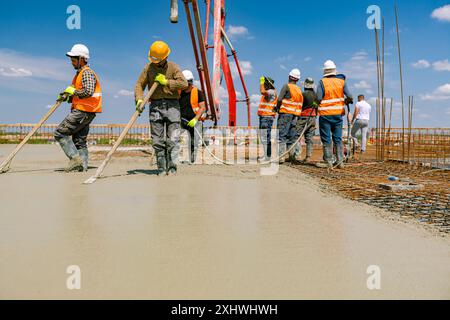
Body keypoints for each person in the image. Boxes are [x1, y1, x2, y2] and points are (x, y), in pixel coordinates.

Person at [134, 41, 188, 175]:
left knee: (172, 139)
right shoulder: (148, 68)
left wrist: (167, 82)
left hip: (173, 106)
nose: (155, 62)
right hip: (155, 105)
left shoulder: (173, 67)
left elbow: (184, 84)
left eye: (157, 60)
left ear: (165, 57)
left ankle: (172, 168)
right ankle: (161, 169)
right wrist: (139, 99)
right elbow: (139, 85)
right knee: (157, 140)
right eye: (153, 59)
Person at [54, 44, 102, 172]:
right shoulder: (79, 74)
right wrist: (67, 97)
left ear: (82, 59)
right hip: (86, 111)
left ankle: (75, 159)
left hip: (82, 111)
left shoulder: (86, 73)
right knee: (79, 141)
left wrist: (73, 91)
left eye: (73, 59)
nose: (71, 62)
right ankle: (82, 168)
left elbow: (88, 91)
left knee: (59, 133)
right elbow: (78, 95)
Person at [315, 60, 353, 169]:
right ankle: (340, 162)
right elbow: (350, 96)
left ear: (325, 71)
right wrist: (345, 102)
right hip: (338, 115)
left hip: (325, 115)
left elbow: (318, 98)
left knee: (326, 138)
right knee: (337, 138)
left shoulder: (322, 82)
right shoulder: (341, 82)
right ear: (334, 70)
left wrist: (314, 104)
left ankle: (328, 161)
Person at [274, 68, 303, 163]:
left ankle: (281, 157)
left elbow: (279, 99)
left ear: (290, 76)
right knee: (292, 136)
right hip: (295, 116)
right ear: (297, 79)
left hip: (285, 114)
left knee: (282, 135)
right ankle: (294, 156)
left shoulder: (286, 86)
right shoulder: (299, 89)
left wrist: (277, 108)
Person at [179, 70, 206, 164]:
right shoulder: (178, 93)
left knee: (194, 141)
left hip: (194, 120)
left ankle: (192, 160)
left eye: (189, 83)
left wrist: (195, 119)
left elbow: (202, 107)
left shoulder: (198, 92)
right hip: (181, 120)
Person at [295, 77, 319, 164]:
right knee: (309, 138)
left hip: (303, 117)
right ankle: (308, 157)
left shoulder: (303, 94)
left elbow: (299, 106)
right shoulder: (316, 95)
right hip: (313, 118)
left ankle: (297, 155)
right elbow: (317, 107)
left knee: (296, 135)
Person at [257, 76, 277, 161]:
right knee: (264, 137)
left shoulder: (271, 92)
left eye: (265, 84)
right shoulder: (270, 92)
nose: (263, 85)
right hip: (264, 117)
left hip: (266, 117)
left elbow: (262, 91)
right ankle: (267, 156)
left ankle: (267, 157)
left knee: (265, 137)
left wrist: (261, 81)